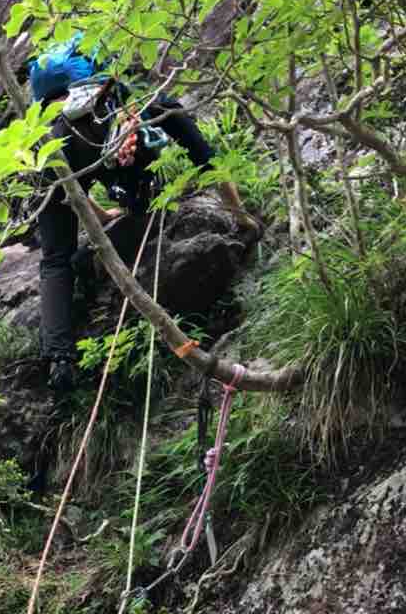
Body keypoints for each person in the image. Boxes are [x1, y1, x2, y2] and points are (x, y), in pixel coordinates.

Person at [38, 82, 261, 392]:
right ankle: (139, 200)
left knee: (55, 260)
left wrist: (101, 217)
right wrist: (240, 216)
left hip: (62, 151)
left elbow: (69, 189)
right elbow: (206, 157)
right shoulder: (138, 98)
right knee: (139, 197)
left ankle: (59, 360)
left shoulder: (50, 128)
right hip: (122, 143)